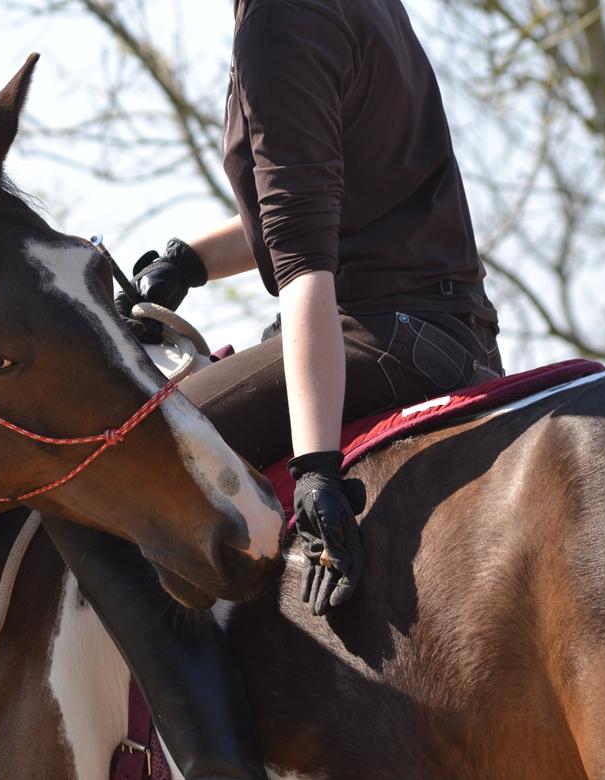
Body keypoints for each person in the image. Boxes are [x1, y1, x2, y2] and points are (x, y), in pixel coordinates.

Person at [51, 0, 506, 777]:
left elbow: (307, 275)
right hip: (450, 331)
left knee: (104, 467)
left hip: (377, 334)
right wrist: (187, 260)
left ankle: (216, 763)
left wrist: (317, 466)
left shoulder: (276, 20)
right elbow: (315, 207)